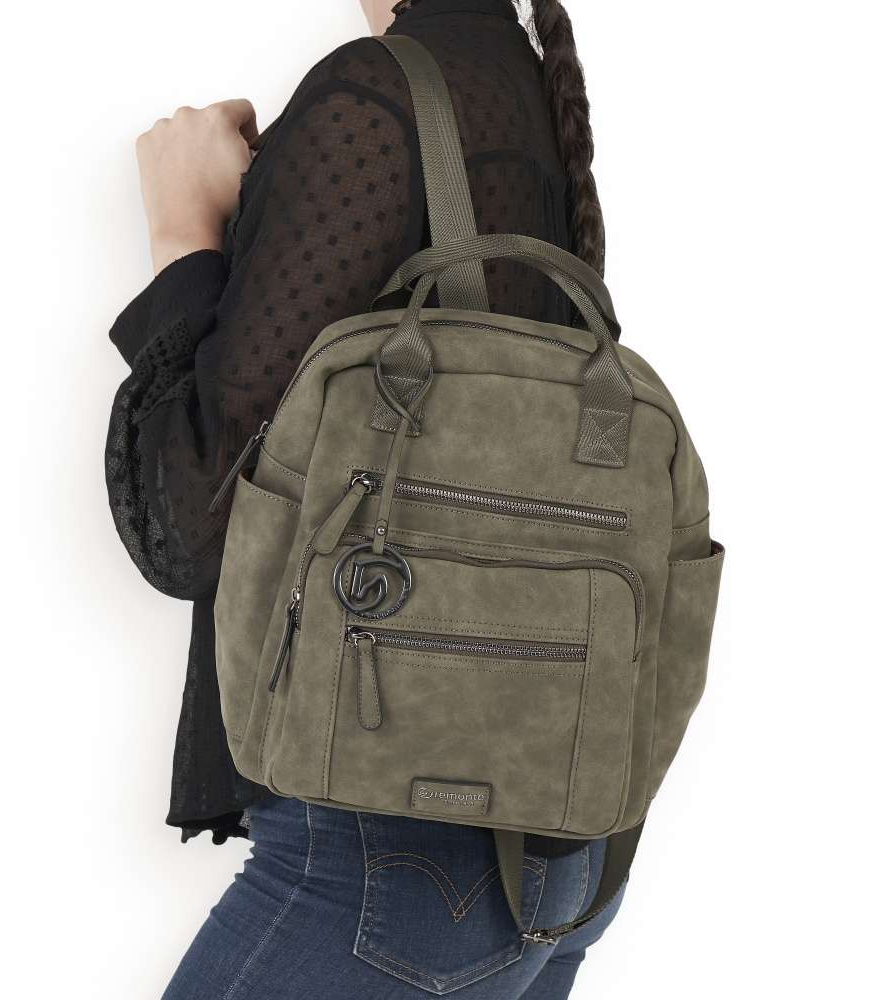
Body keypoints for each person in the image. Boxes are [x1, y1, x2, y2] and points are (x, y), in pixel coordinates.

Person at [106, 1, 626, 996]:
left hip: (380, 863)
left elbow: (190, 527)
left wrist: (184, 232)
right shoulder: (527, 82)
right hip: (559, 848)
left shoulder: (376, 97)